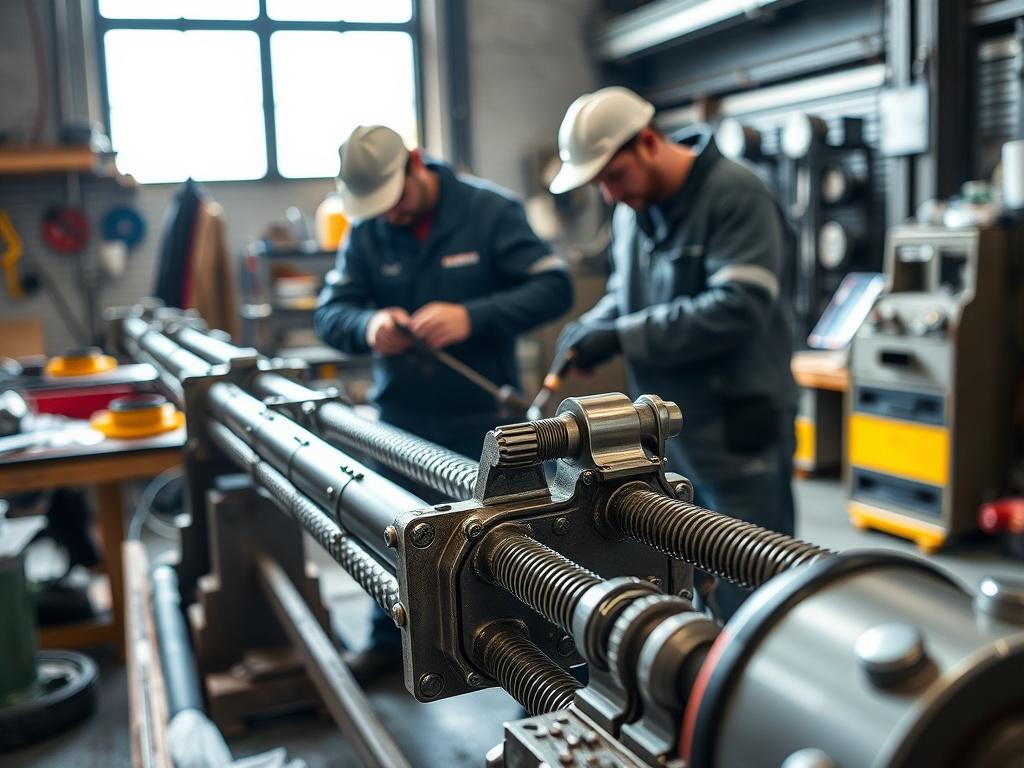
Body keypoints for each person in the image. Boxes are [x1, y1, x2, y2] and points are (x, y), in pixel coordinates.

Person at [314, 124, 574, 681]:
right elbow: (330, 312)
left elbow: (555, 287)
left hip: (486, 421)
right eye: (377, 209)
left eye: (397, 201)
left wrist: (471, 317)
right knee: (396, 536)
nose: (392, 217)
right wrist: (368, 324)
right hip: (402, 419)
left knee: (512, 552)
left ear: (416, 163)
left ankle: (537, 663)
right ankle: (389, 641)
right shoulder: (367, 230)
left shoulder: (489, 211)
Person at [550, 87, 797, 620]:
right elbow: (626, 292)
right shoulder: (632, 211)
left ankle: (752, 693)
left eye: (614, 177)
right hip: (669, 426)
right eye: (600, 185)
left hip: (736, 426)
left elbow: (738, 306)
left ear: (647, 142)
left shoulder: (736, 195)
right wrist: (593, 326)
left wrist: (621, 336)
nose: (610, 195)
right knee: (689, 560)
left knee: (753, 575)